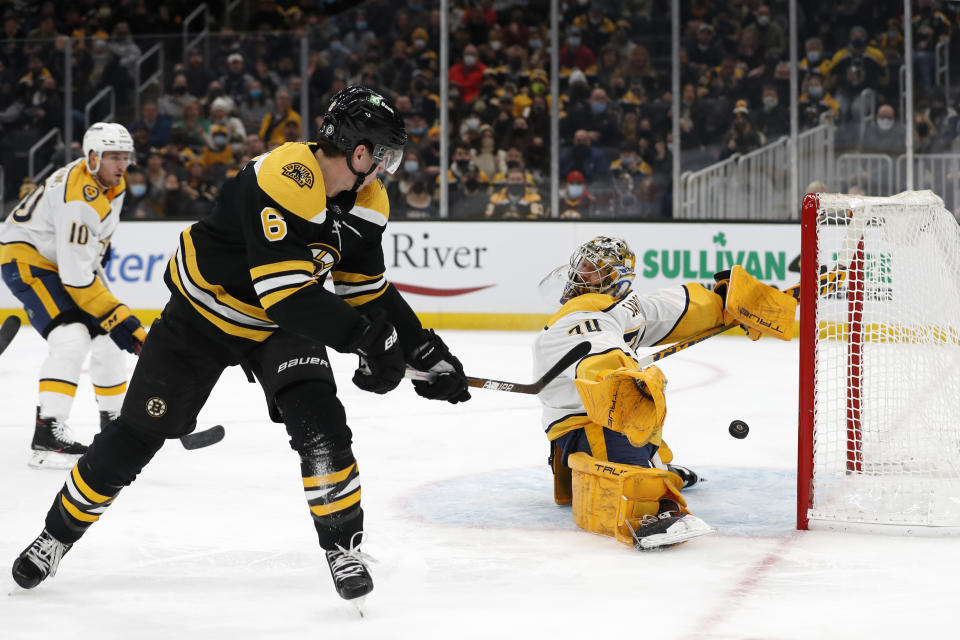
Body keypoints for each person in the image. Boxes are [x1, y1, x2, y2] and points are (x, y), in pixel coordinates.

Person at [10, 86, 471, 605]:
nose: (388, 166)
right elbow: (286, 294)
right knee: (137, 434)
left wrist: (424, 351)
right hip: (204, 315)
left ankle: (343, 546)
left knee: (321, 424)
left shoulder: (369, 200)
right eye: (384, 153)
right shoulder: (285, 175)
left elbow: (367, 289)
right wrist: (367, 339)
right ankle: (55, 536)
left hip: (281, 324)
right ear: (359, 151)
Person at [535, 237, 722, 549]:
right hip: (583, 429)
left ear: (615, 280)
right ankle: (651, 509)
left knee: (634, 419)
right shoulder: (579, 320)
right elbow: (601, 359)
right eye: (582, 264)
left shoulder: (621, 309)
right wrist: (626, 374)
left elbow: (672, 309)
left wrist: (723, 303)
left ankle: (653, 469)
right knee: (628, 408)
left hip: (599, 424)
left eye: (593, 269)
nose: (581, 272)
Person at [0, 122, 146, 470]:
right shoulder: (79, 197)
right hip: (28, 259)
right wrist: (120, 317)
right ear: (92, 157)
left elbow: (87, 252)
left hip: (61, 257)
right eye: (113, 157)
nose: (121, 164)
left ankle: (115, 428)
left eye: (124, 156)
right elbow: (76, 279)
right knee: (71, 337)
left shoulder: (113, 182)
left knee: (109, 340)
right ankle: (48, 433)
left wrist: (98, 251)